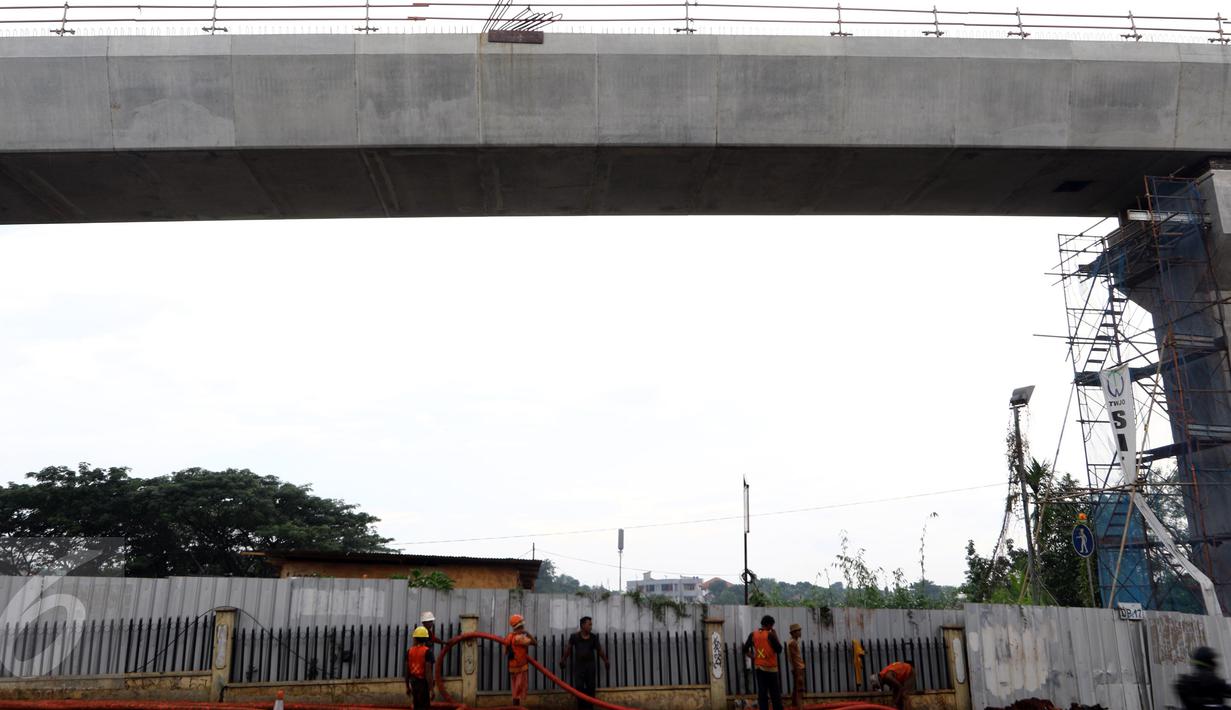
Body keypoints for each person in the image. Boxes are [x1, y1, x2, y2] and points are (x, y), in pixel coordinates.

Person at [559, 616, 610, 710]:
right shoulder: (574, 637)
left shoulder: (593, 638)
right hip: (579, 667)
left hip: (590, 667)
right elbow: (568, 649)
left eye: (591, 624)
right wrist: (563, 660)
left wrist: (606, 661)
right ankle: (581, 707)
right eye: (589, 624)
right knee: (579, 688)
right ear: (583, 625)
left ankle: (590, 707)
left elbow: (600, 651)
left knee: (591, 688)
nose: (591, 626)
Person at [743, 614, 784, 710]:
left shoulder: (753, 634)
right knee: (775, 693)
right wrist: (775, 635)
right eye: (772, 626)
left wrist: (753, 657)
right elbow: (779, 649)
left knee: (762, 692)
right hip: (771, 669)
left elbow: (745, 649)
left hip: (759, 668)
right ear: (769, 625)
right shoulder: (770, 635)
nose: (772, 628)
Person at [506, 614, 536, 706]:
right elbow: (534, 642)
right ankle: (516, 708)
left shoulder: (509, 636)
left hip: (512, 667)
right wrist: (527, 633)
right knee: (519, 690)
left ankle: (515, 707)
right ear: (520, 626)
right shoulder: (520, 638)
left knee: (515, 690)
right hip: (520, 668)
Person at [404, 626, 435, 710]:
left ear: (415, 639)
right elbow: (428, 673)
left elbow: (407, 671)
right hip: (423, 684)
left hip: (413, 683)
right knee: (424, 706)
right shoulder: (427, 652)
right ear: (426, 639)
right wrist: (431, 690)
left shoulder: (409, 651)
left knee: (416, 705)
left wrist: (407, 686)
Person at [786, 623, 805, 708]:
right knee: (799, 690)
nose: (800, 632)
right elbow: (794, 659)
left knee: (796, 688)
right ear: (793, 633)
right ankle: (800, 707)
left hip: (797, 668)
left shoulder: (793, 642)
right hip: (798, 669)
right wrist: (799, 674)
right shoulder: (792, 643)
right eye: (798, 631)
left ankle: (794, 705)